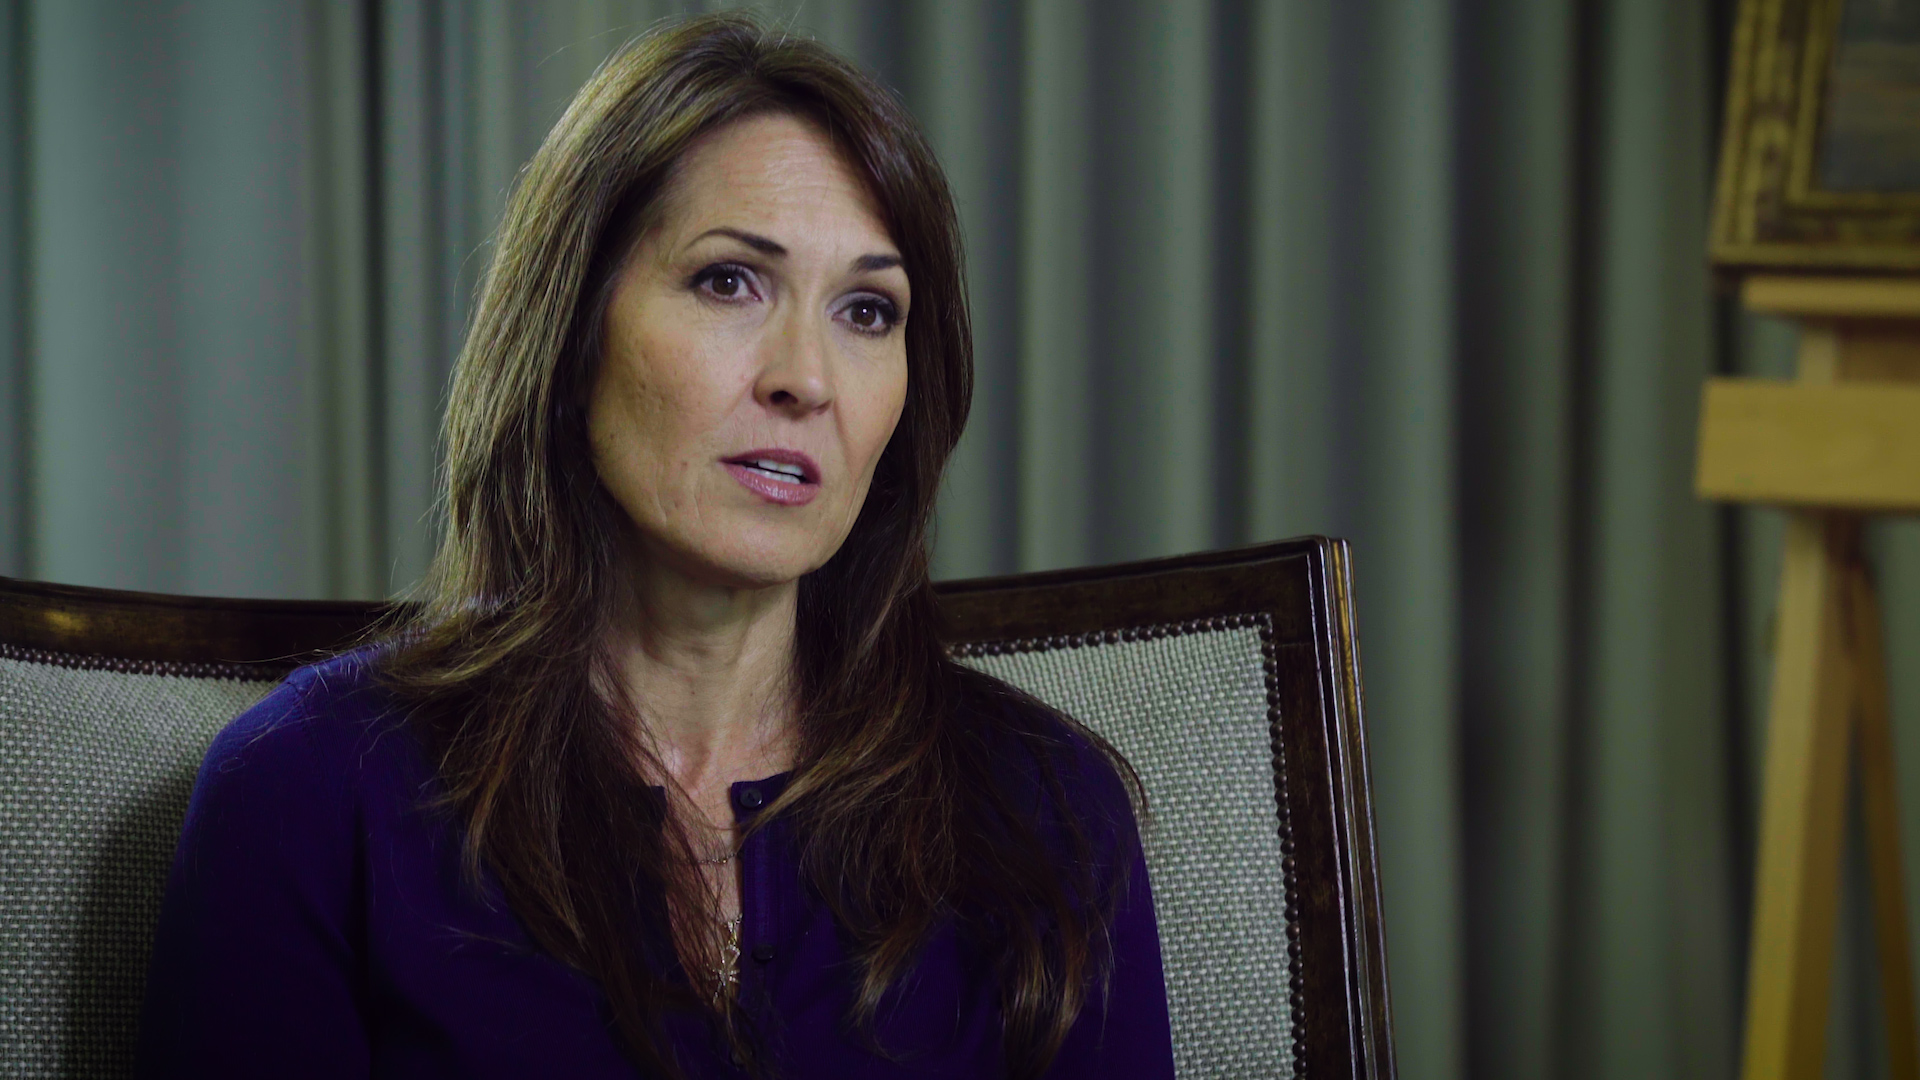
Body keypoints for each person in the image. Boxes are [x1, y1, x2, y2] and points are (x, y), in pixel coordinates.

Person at [136, 13, 1173, 1079]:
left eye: (868, 311)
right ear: (571, 330)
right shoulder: (310, 794)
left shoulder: (1044, 811)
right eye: (729, 281)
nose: (806, 378)